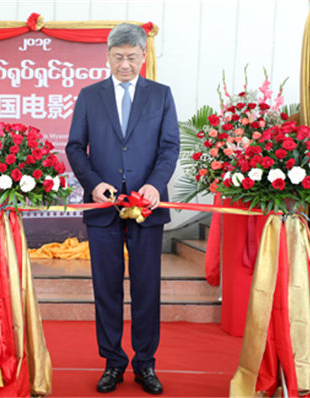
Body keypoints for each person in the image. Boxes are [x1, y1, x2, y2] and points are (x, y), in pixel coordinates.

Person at [65, 23, 180, 395]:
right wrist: (92, 183)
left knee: (147, 289)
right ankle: (113, 362)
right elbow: (74, 147)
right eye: (118, 57)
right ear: (107, 56)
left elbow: (169, 147)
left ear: (144, 57)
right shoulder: (89, 96)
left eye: (132, 57)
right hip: (103, 208)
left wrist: (154, 185)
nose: (125, 64)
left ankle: (145, 363)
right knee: (107, 289)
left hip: (148, 207)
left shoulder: (161, 96)